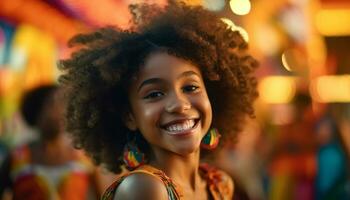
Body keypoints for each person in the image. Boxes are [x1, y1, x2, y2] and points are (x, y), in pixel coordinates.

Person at [59, 1, 258, 199]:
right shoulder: (144, 188)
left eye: (190, 87)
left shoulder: (220, 184)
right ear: (130, 116)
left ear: (212, 95)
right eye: (154, 94)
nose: (180, 105)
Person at [0, 84, 99, 200]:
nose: (61, 111)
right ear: (37, 112)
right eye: (53, 105)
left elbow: (104, 195)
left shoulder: (84, 157)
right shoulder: (17, 158)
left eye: (63, 104)